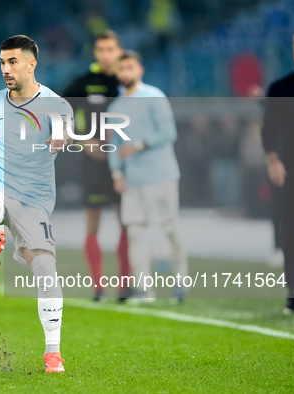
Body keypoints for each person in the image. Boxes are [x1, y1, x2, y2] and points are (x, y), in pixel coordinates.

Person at [0, 35, 73, 373]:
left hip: (33, 197)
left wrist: (60, 137)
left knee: (45, 270)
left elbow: (65, 131)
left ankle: (52, 352)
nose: (6, 69)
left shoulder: (56, 104)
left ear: (31, 63)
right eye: (1, 63)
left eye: (12, 62)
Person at [108, 50, 187, 303]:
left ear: (140, 70)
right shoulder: (116, 107)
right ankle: (145, 291)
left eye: (130, 67)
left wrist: (140, 144)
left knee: (170, 229)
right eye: (122, 68)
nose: (125, 72)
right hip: (133, 180)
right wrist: (117, 173)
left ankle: (180, 284)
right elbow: (115, 145)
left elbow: (169, 132)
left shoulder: (155, 97)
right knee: (136, 234)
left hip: (161, 176)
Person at [63, 30, 131, 302]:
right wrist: (83, 140)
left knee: (127, 221)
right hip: (93, 162)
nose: (106, 54)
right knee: (93, 223)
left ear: (118, 50)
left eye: (110, 49)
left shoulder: (128, 82)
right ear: (95, 52)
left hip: (125, 162)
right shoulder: (83, 82)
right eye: (101, 49)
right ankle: (98, 287)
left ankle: (125, 285)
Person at [261, 28, 294, 314]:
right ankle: (293, 291)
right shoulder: (281, 88)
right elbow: (269, 129)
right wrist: (273, 160)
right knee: (292, 230)